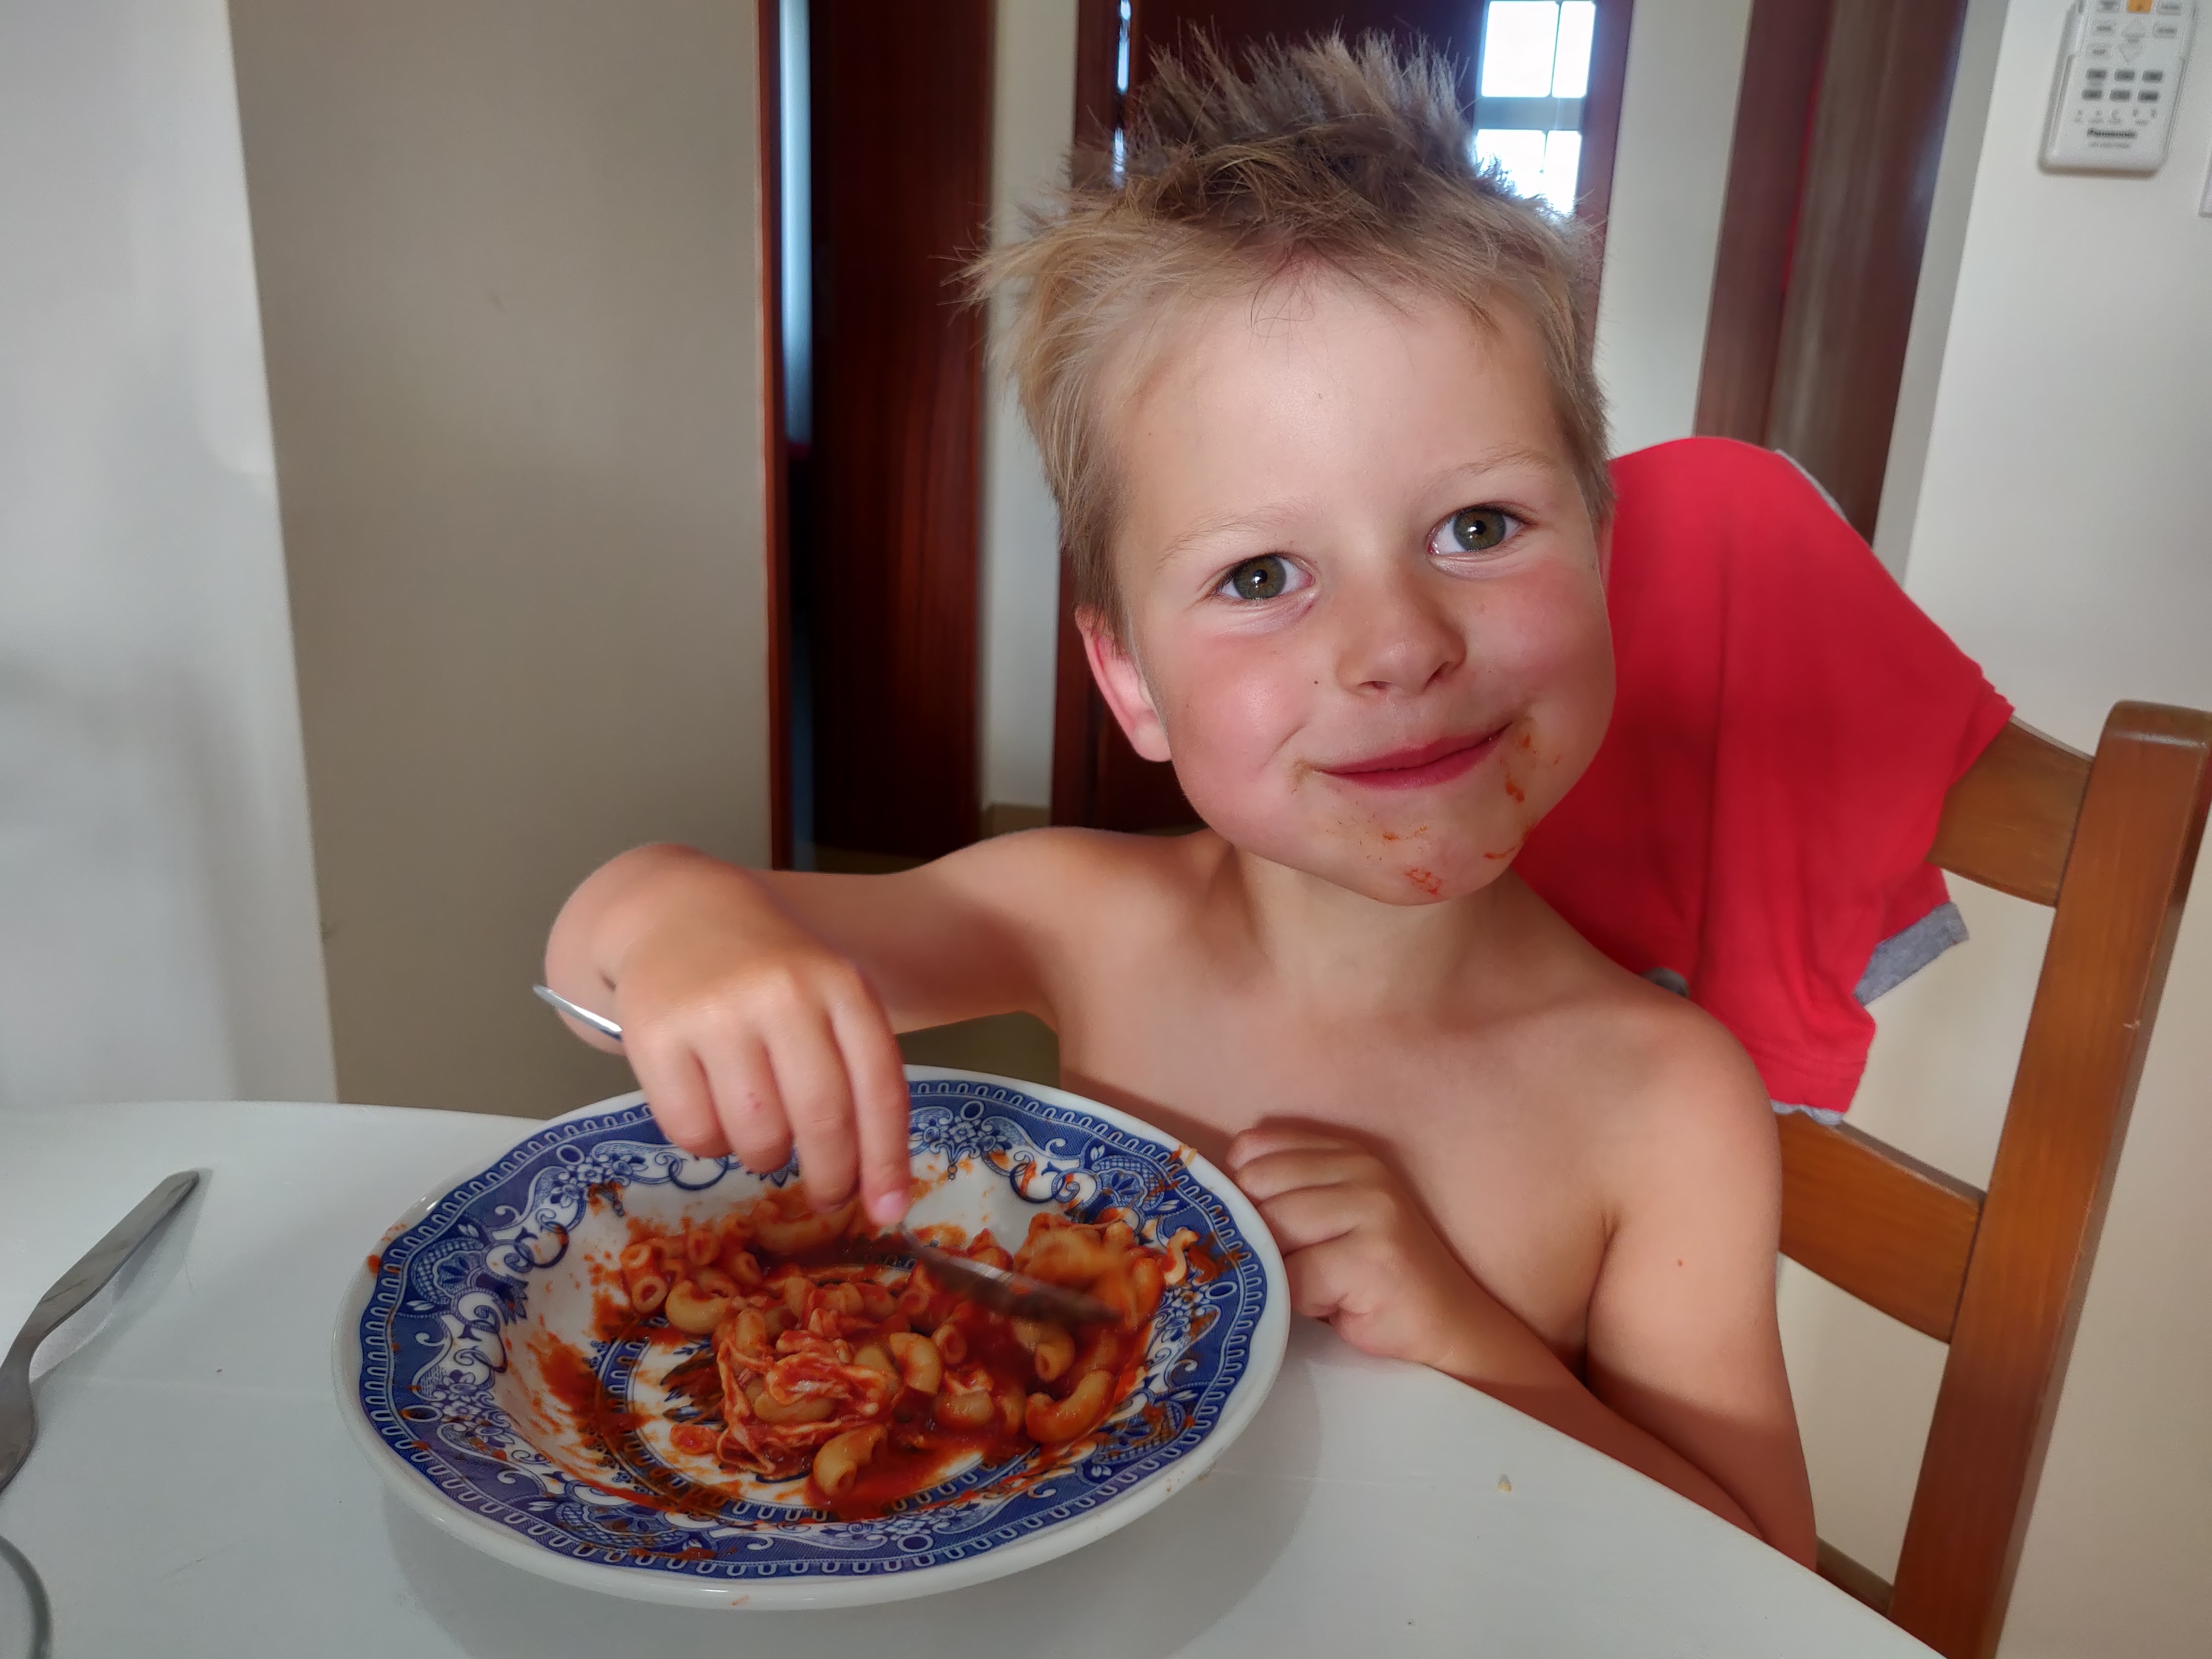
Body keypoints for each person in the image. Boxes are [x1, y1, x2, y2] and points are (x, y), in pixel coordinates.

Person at [544, 35, 1816, 1561]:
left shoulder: (1663, 1105)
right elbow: (600, 979)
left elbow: (1765, 1580)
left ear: (1602, 559)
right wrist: (675, 920)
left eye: (1479, 526)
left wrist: (1471, 1337)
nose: (1399, 646)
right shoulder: (1084, 921)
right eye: (1262, 576)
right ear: (1131, 681)